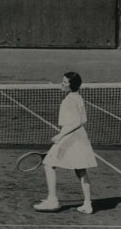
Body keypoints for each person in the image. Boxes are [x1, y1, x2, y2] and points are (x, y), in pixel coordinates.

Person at [34, 72, 97, 214]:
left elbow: (75, 121)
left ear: (71, 84)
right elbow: (83, 120)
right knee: (81, 170)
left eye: (64, 82)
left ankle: (52, 200)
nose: (61, 84)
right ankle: (88, 204)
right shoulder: (78, 97)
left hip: (70, 136)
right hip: (79, 136)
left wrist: (60, 135)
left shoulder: (70, 100)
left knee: (48, 164)